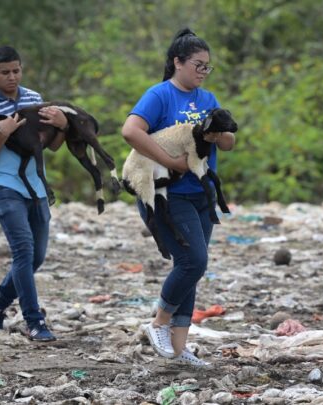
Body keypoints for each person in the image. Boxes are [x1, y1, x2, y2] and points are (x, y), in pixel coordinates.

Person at [121, 28, 236, 367]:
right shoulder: (160, 95)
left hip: (201, 195)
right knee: (193, 261)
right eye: (198, 65)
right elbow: (130, 131)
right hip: (168, 196)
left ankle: (177, 349)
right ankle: (158, 323)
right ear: (178, 62)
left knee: (192, 267)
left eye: (207, 67)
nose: (203, 71)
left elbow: (228, 141)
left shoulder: (208, 99)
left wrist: (217, 135)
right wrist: (170, 161)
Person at [0, 46, 69, 342]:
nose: (12, 77)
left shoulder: (34, 99)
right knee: (23, 252)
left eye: (16, 71)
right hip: (4, 187)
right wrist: (2, 133)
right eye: (5, 72)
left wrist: (62, 127)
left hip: (36, 188)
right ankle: (34, 321)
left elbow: (51, 146)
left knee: (35, 258)